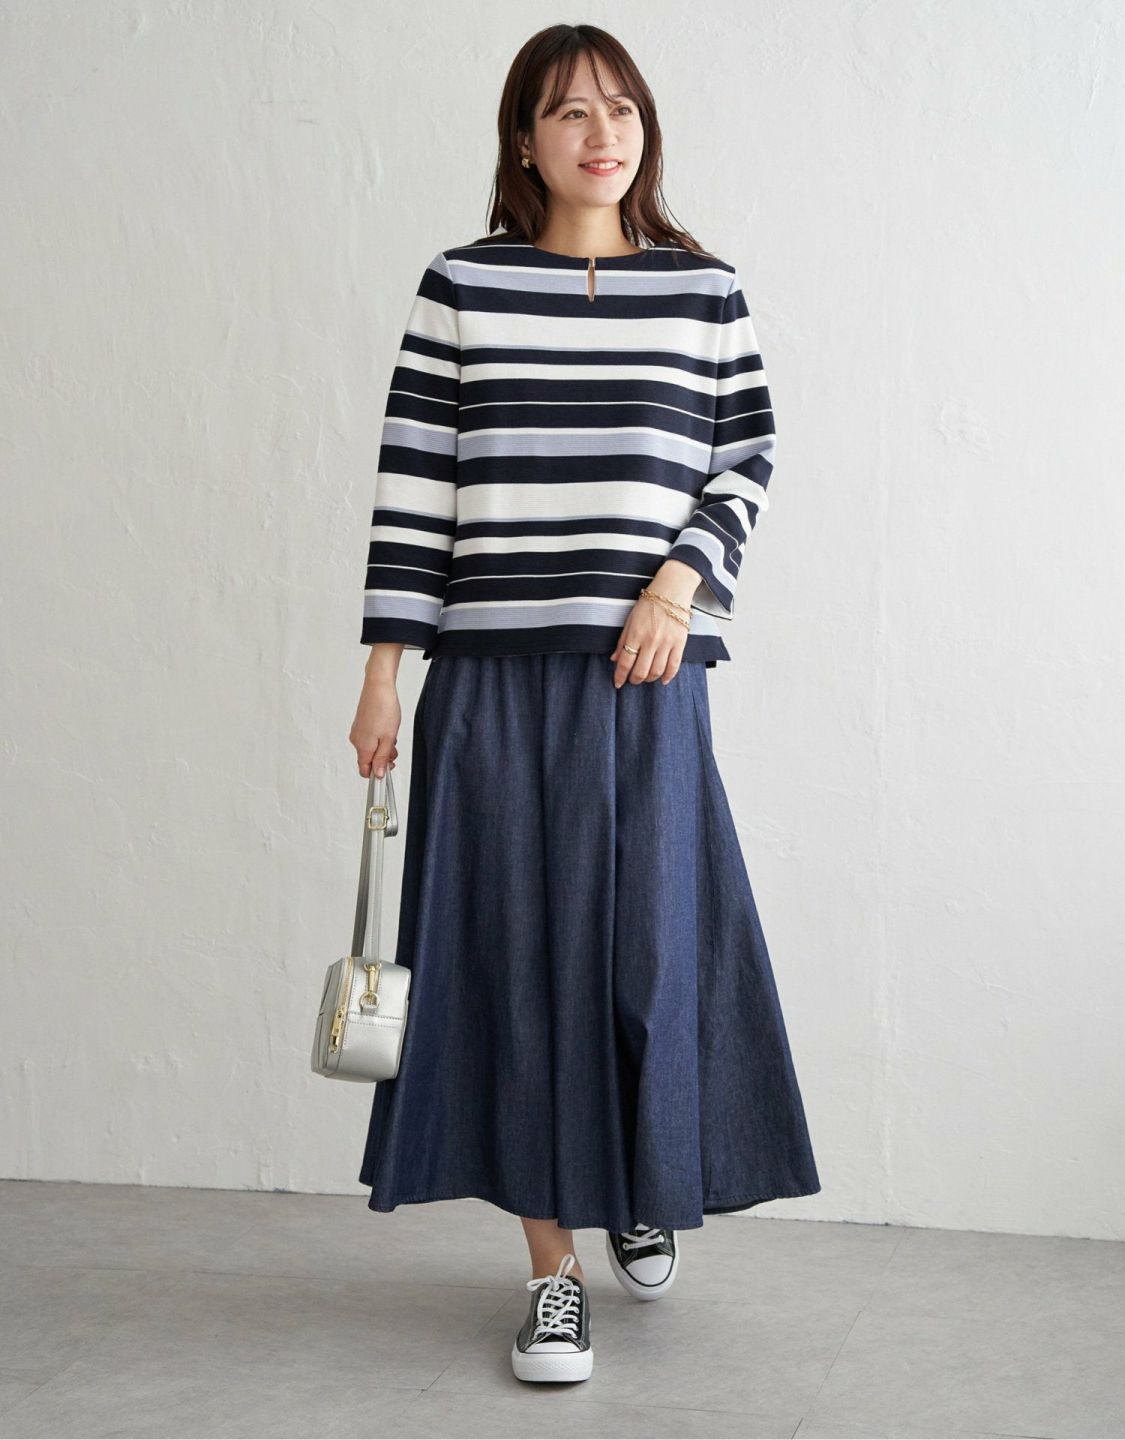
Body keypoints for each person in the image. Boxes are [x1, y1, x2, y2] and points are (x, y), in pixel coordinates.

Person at [348, 23, 821, 1385]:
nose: (599, 133)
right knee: (513, 965)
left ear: (644, 129)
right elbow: (417, 483)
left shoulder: (703, 293)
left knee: (651, 956)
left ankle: (644, 1179)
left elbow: (746, 455)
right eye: (567, 112)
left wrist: (679, 586)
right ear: (525, 140)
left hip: (645, 677)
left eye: (620, 109)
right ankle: (553, 1272)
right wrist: (383, 672)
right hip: (490, 680)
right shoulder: (462, 286)